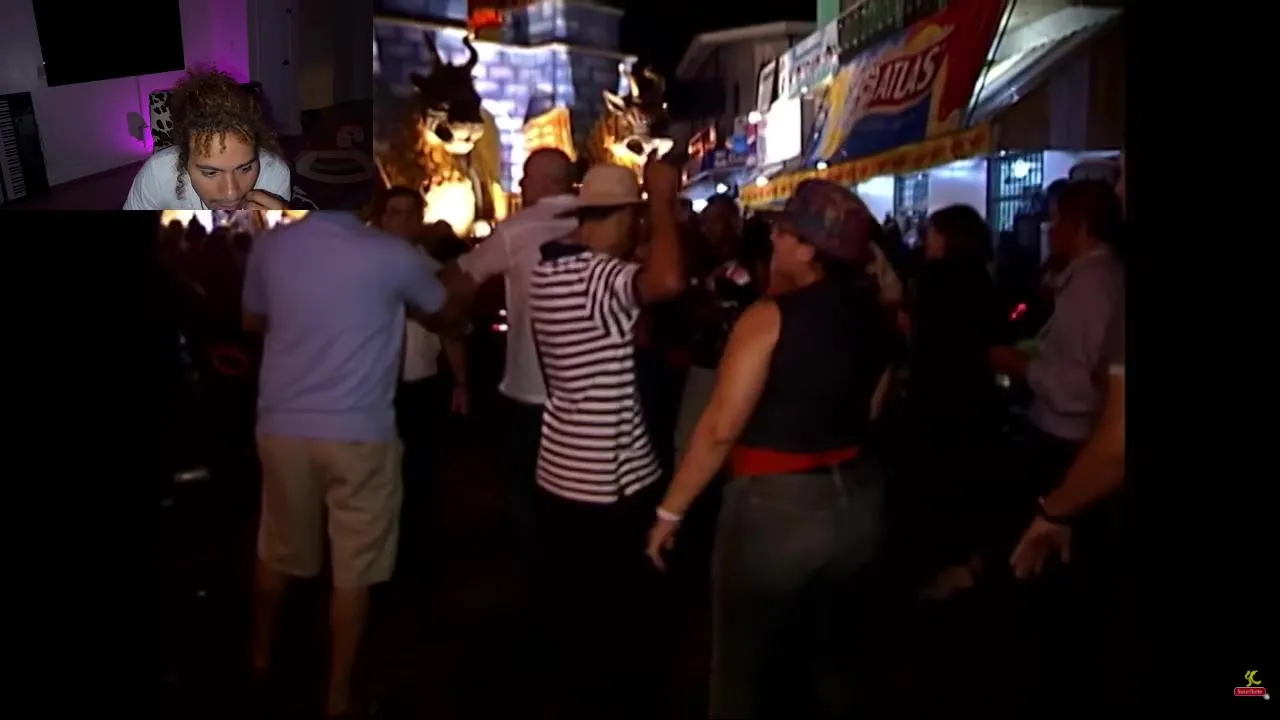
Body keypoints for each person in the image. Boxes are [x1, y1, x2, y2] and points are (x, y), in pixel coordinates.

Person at [646, 180, 894, 718]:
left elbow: (719, 427)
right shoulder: (876, 314)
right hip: (858, 501)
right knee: (830, 657)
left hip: (777, 509)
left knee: (743, 669)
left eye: (785, 232)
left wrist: (670, 512)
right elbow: (874, 406)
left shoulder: (769, 317)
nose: (774, 239)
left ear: (810, 250)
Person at [242, 211, 463, 719]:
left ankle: (259, 654)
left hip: (285, 424)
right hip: (359, 430)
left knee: (276, 547)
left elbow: (252, 320)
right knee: (354, 568)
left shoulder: (272, 246)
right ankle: (338, 695)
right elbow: (445, 312)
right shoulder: (390, 254)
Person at [526, 159, 684, 717]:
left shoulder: (548, 271)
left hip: (560, 469)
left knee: (575, 613)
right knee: (622, 625)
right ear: (618, 218)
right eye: (634, 219)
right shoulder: (597, 277)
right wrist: (661, 201)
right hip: (608, 482)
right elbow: (668, 282)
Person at [437, 149, 580, 553]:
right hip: (590, 387)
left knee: (526, 487)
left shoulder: (520, 228)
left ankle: (536, 566)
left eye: (527, 177)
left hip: (532, 384)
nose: (520, 184)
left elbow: (463, 276)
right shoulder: (602, 223)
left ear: (551, 181)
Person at [125, 67, 291, 211]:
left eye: (245, 168)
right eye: (210, 173)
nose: (232, 194)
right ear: (184, 161)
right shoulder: (157, 174)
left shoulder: (274, 174)